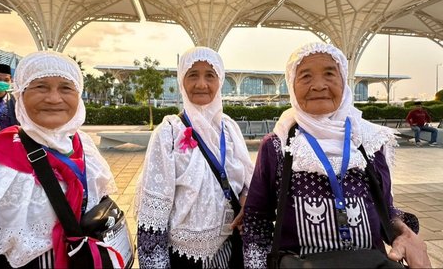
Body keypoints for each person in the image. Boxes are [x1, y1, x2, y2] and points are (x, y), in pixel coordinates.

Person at [243, 42, 431, 268]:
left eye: (330, 74)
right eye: (305, 76)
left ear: (344, 81)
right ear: (292, 85)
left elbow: (384, 209)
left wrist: (404, 232)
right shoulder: (278, 145)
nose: (319, 86)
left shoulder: (368, 142)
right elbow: (256, 220)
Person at [0, 51, 117, 268]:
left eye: (66, 87)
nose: (54, 98)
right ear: (21, 93)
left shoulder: (83, 145)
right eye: (40, 87)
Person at [135, 46, 254, 268]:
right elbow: (153, 213)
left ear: (220, 81)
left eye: (210, 75)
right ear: (182, 81)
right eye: (193, 75)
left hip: (230, 250)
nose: (202, 84)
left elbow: (247, 180)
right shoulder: (169, 132)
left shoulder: (229, 128)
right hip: (184, 256)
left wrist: (247, 197)